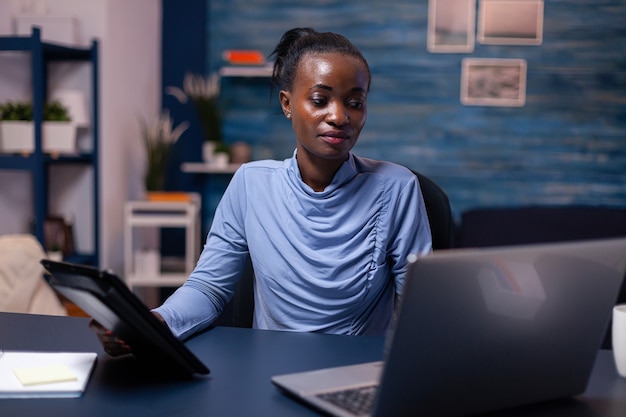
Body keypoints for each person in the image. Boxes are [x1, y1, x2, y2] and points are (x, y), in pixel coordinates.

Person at [93, 27, 431, 354]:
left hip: (355, 378)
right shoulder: (250, 184)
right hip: (268, 372)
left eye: (355, 102)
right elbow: (208, 288)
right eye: (320, 99)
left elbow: (418, 311)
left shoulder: (398, 189)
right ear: (287, 103)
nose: (339, 116)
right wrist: (155, 324)